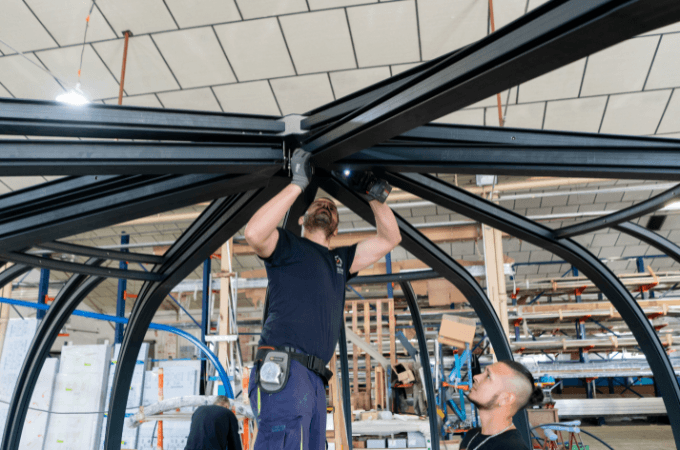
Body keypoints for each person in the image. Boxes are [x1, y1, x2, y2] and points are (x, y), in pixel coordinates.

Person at [244, 149, 401, 450]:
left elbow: (389, 238)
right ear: (302, 218)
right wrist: (298, 183)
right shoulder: (286, 246)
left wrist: (373, 197)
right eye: (320, 203)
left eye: (331, 207)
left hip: (315, 380)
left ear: (336, 228)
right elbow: (253, 233)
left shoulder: (339, 262)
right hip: (286, 368)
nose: (326, 205)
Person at [460, 361, 544, 450]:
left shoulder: (513, 448)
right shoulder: (471, 435)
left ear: (506, 399)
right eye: (483, 372)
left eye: (488, 376)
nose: (476, 377)